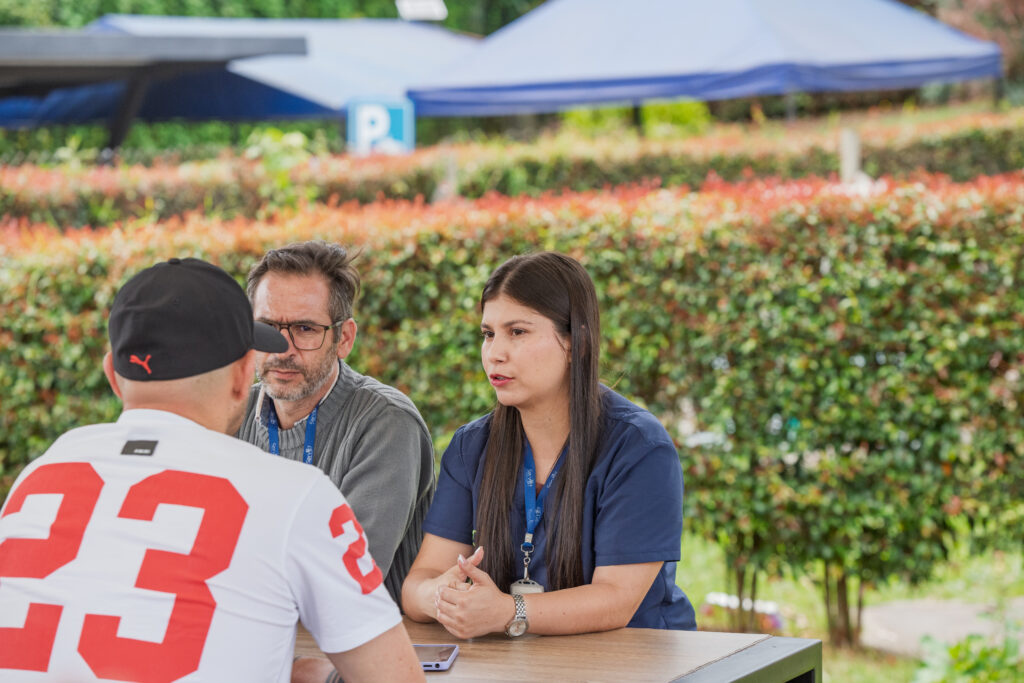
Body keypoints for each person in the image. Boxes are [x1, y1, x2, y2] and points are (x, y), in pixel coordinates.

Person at [0, 258, 423, 682]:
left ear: (112, 375)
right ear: (243, 376)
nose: (284, 348)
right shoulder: (295, 492)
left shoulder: (37, 475)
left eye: (305, 329)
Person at [402, 251, 697, 638]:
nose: (495, 353)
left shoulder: (639, 448)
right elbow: (418, 583)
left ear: (576, 342)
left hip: (634, 659)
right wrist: (441, 596)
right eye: (488, 334)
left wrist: (509, 611)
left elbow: (616, 599)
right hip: (524, 659)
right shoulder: (470, 446)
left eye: (517, 332)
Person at [238, 241, 435, 605]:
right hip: (258, 626)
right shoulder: (230, 415)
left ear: (344, 338)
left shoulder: (386, 424)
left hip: (367, 636)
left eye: (305, 328)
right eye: (266, 326)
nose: (282, 348)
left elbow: (344, 580)